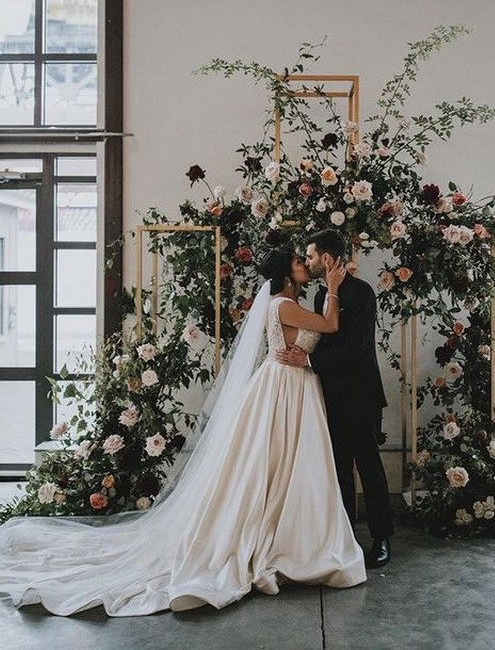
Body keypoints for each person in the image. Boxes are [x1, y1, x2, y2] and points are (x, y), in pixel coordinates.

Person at [0, 249, 366, 617]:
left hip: (294, 386)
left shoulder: (287, 302)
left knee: (286, 466)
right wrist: (334, 287)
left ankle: (295, 535)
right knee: (275, 464)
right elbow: (331, 325)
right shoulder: (283, 304)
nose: (305, 265)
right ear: (287, 274)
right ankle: (285, 542)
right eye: (299, 262)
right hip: (285, 388)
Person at [277, 230, 394, 568]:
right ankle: (344, 538)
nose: (308, 262)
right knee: (338, 468)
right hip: (330, 395)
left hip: (361, 394)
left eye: (311, 256)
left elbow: (355, 350)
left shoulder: (362, 293)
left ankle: (382, 538)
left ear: (326, 259)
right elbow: (327, 340)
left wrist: (309, 361)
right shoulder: (319, 297)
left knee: (369, 467)